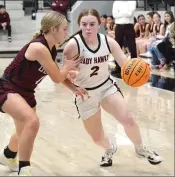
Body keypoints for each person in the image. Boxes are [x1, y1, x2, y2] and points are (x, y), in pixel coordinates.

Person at [62, 8, 163, 167]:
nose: (88, 28)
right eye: (84, 24)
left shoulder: (108, 41)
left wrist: (140, 70)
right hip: (85, 93)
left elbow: (125, 65)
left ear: (99, 24)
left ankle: (141, 148)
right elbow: (63, 74)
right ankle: (109, 149)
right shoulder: (72, 46)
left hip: (106, 87)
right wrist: (71, 74)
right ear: (79, 25)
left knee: (128, 119)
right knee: (97, 137)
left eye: (92, 24)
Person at [0, 11, 82, 176]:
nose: (66, 32)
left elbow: (56, 73)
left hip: (26, 92)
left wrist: (74, 88)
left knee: (24, 131)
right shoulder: (39, 47)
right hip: (8, 88)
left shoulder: (51, 48)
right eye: (64, 28)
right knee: (32, 122)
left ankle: (7, 156)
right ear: (53, 29)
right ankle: (24, 169)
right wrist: (67, 67)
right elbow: (57, 77)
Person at [112, 0, 137, 73]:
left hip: (129, 26)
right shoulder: (116, 2)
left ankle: (134, 65)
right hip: (119, 26)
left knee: (132, 46)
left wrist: (120, 13)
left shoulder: (132, 1)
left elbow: (130, 13)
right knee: (117, 46)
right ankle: (117, 66)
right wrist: (125, 13)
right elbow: (115, 14)